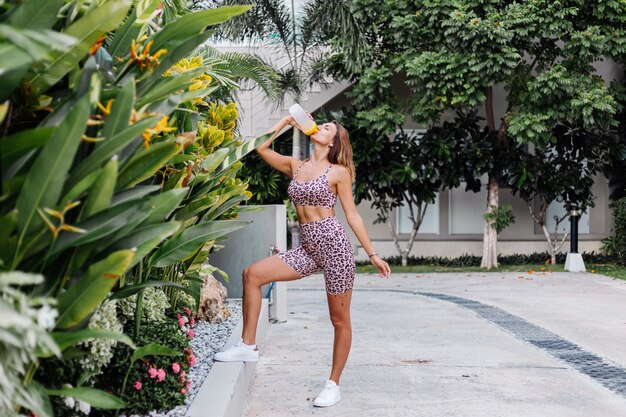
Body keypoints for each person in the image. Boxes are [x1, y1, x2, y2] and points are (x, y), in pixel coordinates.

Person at [213, 113, 391, 407]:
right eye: (320, 124)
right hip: (308, 248)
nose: (319, 127)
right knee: (252, 275)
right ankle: (247, 345)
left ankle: (333, 384)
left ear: (333, 141)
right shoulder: (297, 166)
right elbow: (260, 147)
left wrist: (372, 253)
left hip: (334, 247)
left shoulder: (338, 172)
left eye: (327, 127)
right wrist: (285, 121)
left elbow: (353, 215)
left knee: (339, 319)